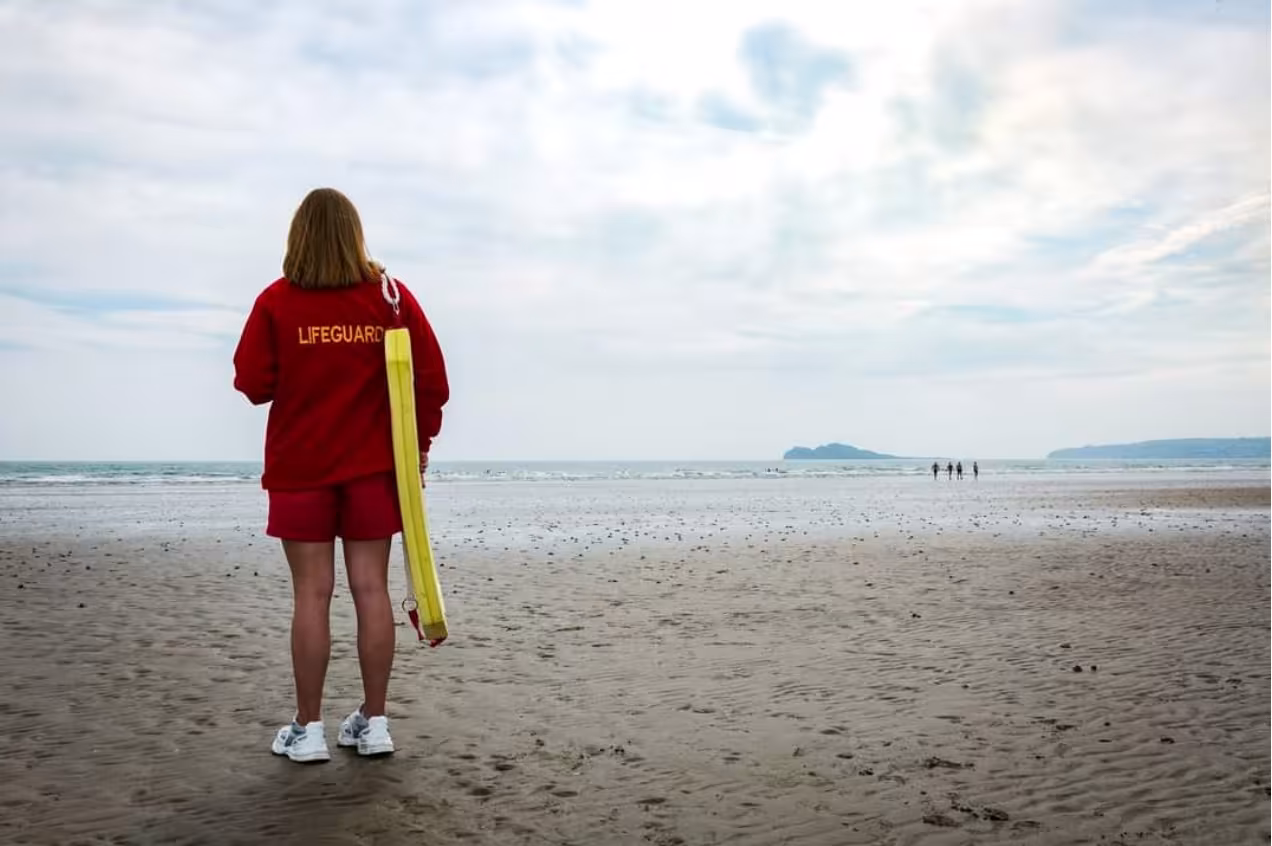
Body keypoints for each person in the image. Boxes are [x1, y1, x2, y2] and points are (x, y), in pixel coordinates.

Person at [233, 187, 449, 763]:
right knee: (371, 589)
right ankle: (374, 724)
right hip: (372, 470)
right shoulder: (390, 298)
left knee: (312, 593)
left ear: (298, 236)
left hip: (301, 468)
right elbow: (432, 381)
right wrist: (420, 446)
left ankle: (308, 730)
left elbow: (252, 383)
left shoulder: (277, 301)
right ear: (355, 235)